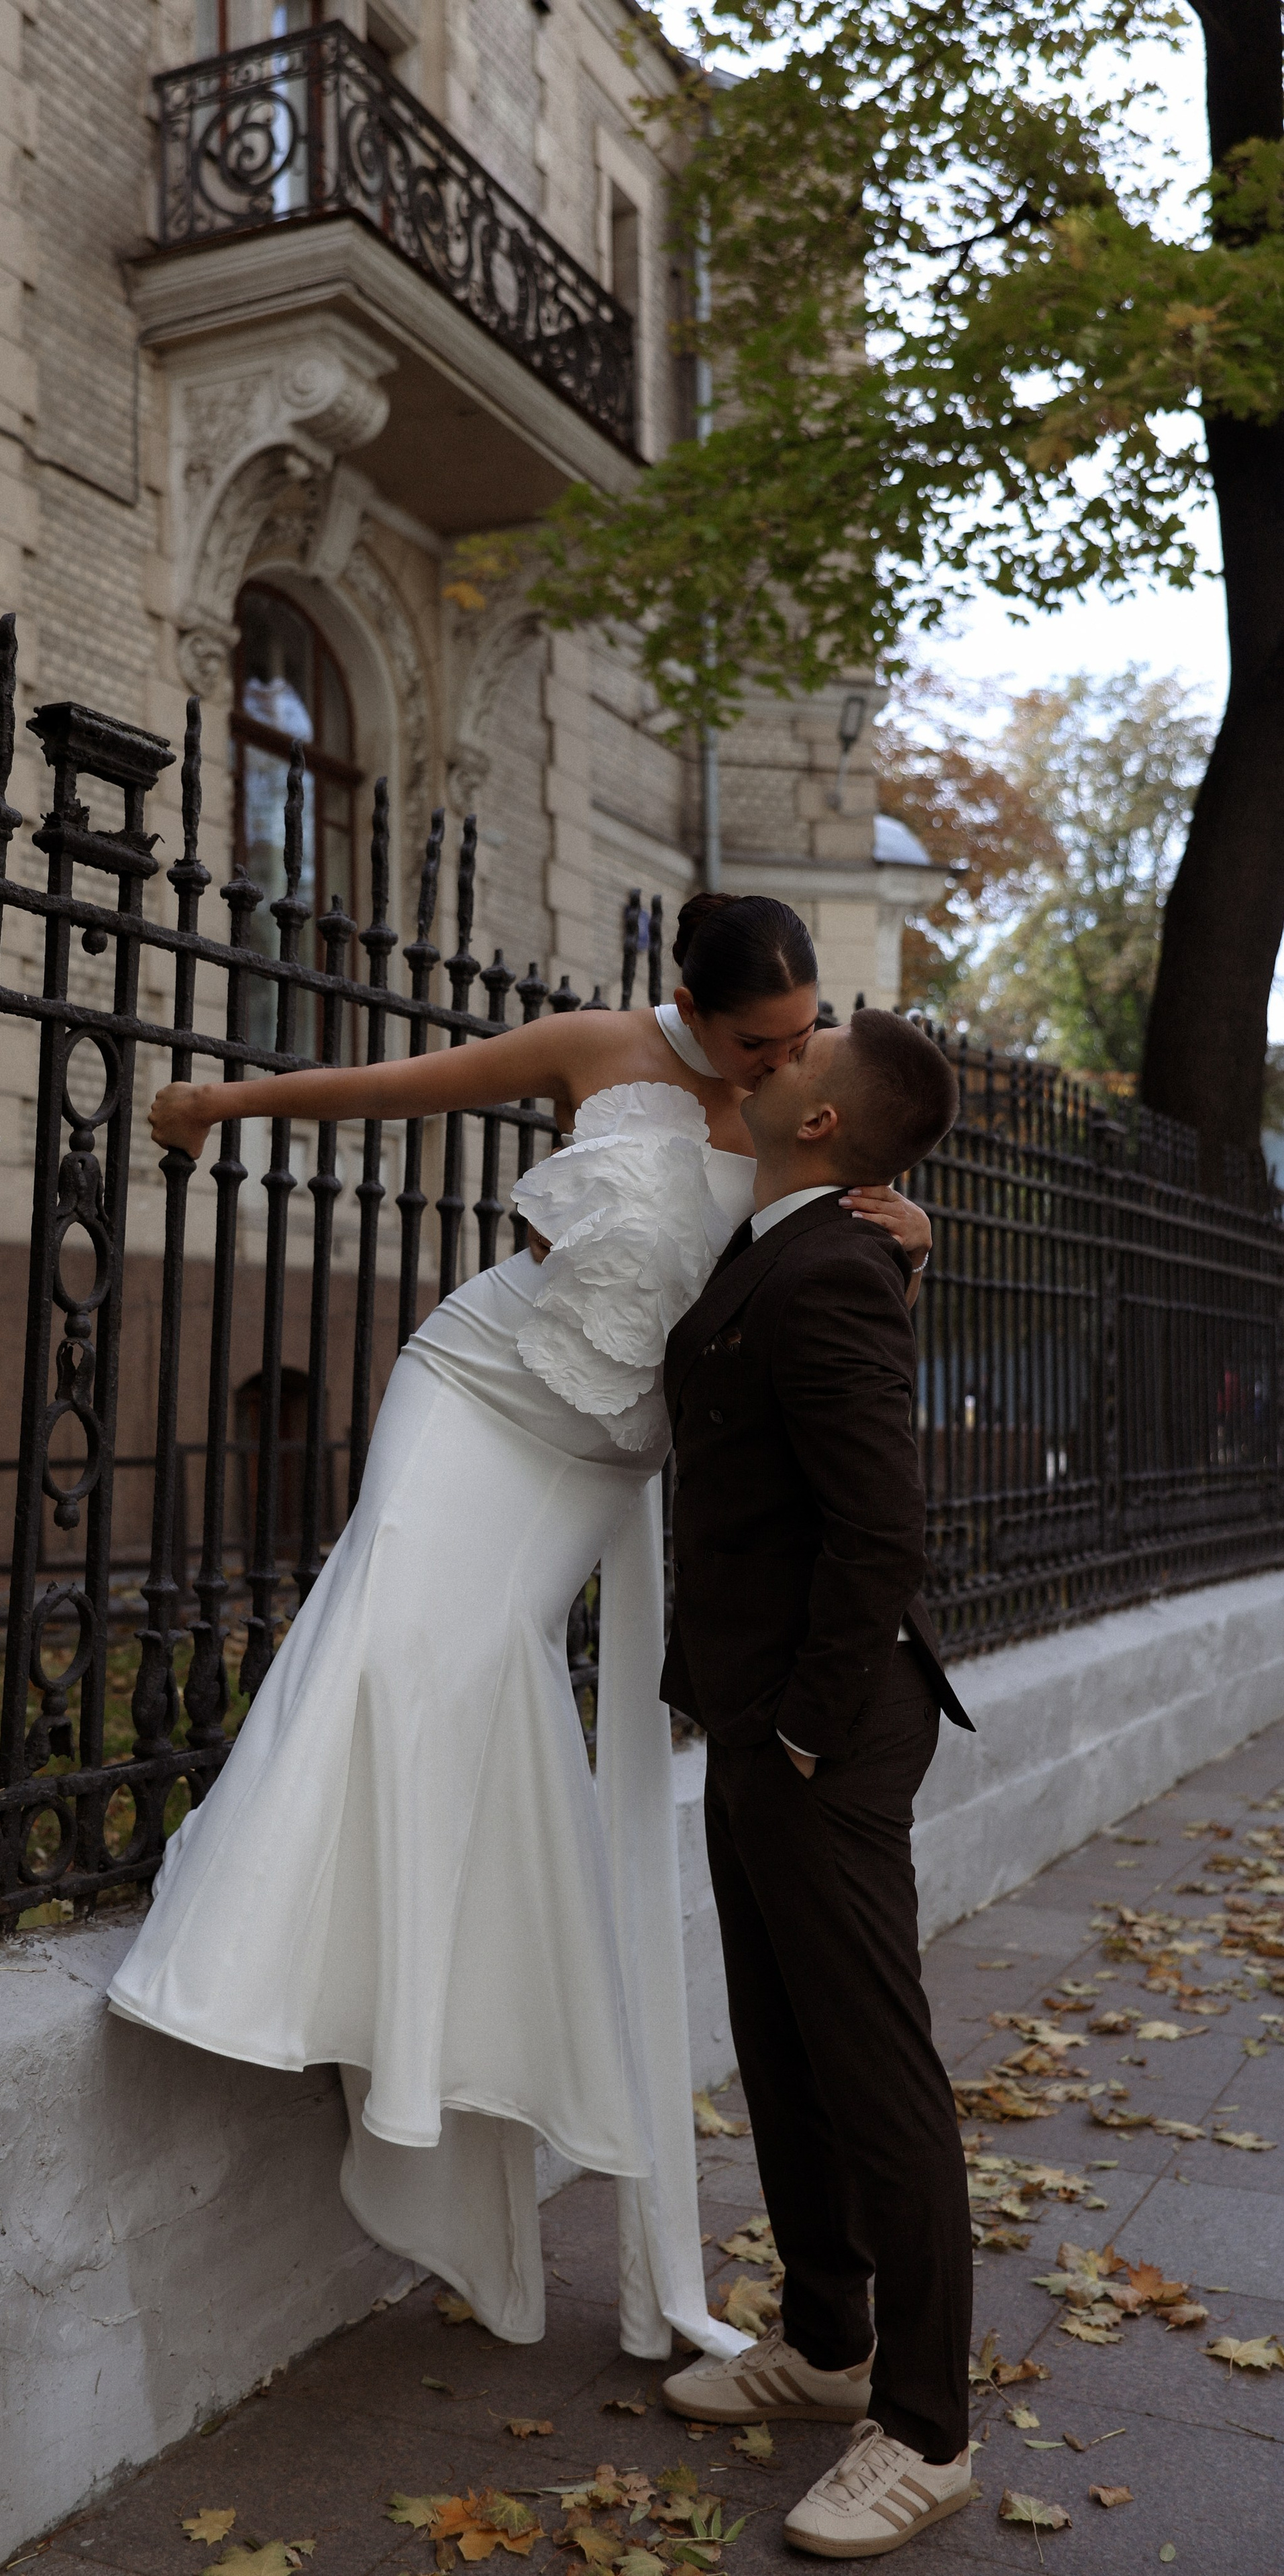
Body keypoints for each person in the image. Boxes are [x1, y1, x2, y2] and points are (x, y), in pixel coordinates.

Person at [106, 894, 932, 2362]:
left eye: (804, 1037)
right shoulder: (596, 1047)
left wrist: (911, 1237)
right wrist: (222, 1099)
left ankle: (429, 2050)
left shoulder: (808, 1125)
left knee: (485, 1680)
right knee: (382, 1637)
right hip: (473, 1383)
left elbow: (828, 1272)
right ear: (690, 1004)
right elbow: (399, 1085)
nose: (783, 1057)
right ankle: (260, 1968)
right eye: (761, 1038)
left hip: (592, 1457)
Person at [657, 1009, 974, 2558]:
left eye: (796, 1056)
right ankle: (829, 2347)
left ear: (823, 1125)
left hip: (819, 1732)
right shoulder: (805, 1237)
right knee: (781, 2050)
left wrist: (794, 1730)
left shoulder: (828, 1266)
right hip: (753, 1713)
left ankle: (923, 2429)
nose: (768, 1057)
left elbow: (880, 1534)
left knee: (872, 2073)